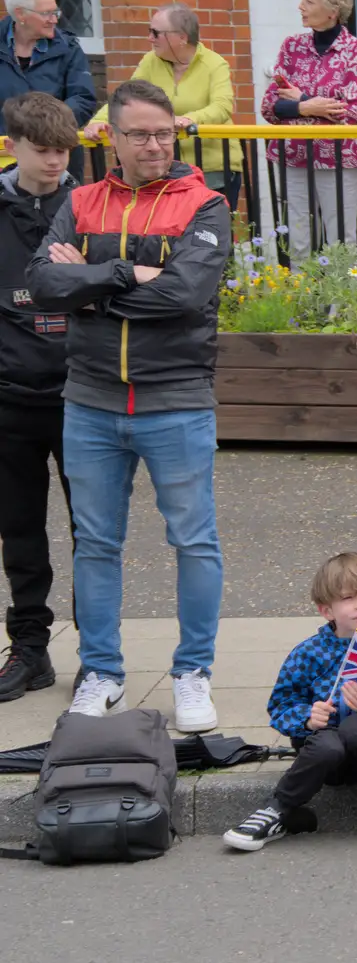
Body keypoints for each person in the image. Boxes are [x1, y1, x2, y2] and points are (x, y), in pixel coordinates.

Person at [28, 79, 231, 732]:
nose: (154, 144)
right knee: (95, 545)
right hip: (89, 402)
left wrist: (86, 283)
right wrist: (123, 273)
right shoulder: (80, 200)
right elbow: (41, 284)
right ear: (109, 138)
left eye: (164, 132)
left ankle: (193, 672)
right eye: (139, 133)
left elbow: (184, 298)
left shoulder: (206, 203)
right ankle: (101, 671)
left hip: (175, 401)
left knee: (194, 541)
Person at [223, 553, 357, 852]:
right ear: (327, 610)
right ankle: (277, 809)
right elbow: (280, 707)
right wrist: (308, 718)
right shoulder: (309, 653)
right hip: (325, 761)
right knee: (329, 743)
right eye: (348, 598)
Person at [0, 92, 77, 702]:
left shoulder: (86, 205)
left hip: (81, 396)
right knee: (20, 528)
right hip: (10, 396)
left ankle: (101, 652)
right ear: (13, 146)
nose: (54, 162)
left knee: (95, 532)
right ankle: (29, 648)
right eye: (43, 151)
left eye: (63, 152)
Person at [259, 0, 357, 259]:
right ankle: (305, 304)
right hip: (293, 154)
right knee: (298, 239)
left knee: (339, 240)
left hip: (340, 158)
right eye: (302, 0)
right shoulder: (292, 47)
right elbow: (270, 105)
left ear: (333, 11)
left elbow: (354, 112)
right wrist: (308, 107)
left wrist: (300, 100)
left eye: (309, 1)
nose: (301, 6)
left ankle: (340, 305)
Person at [84, 4, 243, 208]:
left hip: (213, 167)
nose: (150, 38)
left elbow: (222, 107)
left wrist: (190, 119)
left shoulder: (215, 63)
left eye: (156, 33)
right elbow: (126, 98)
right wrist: (98, 121)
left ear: (182, 38)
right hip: (166, 167)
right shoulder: (151, 61)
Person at [0, 0, 95, 142]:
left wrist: (44, 127)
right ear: (20, 13)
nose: (54, 20)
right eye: (46, 13)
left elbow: (83, 98)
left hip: (56, 149)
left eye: (55, 12)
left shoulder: (69, 48)